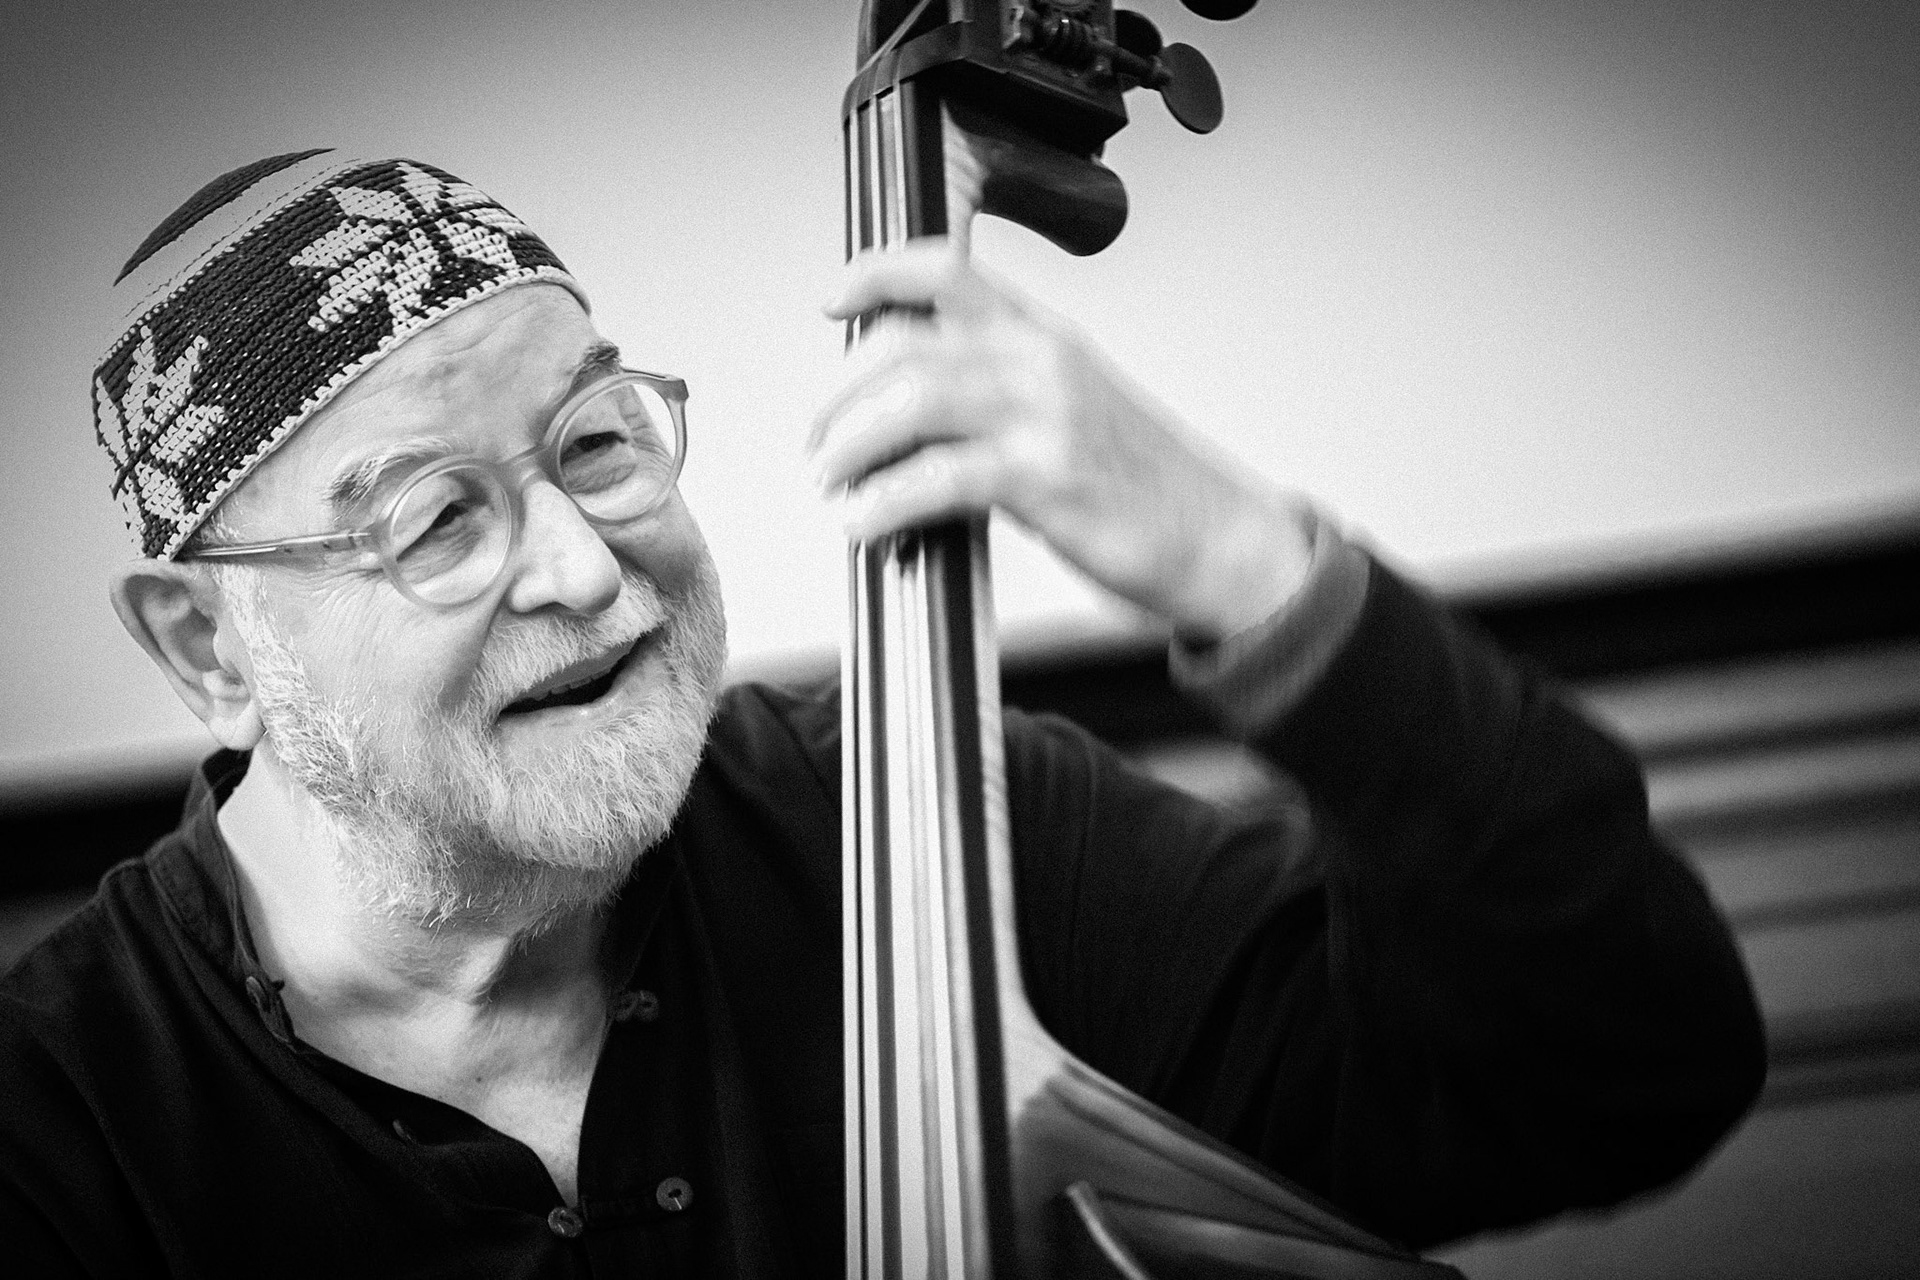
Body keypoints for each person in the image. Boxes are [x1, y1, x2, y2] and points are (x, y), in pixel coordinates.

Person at [0, 150, 1764, 1276]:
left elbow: (1612, 1069)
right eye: (436, 524)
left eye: (597, 444)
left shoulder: (923, 822)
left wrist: (1254, 571)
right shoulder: (59, 1132)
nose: (589, 575)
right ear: (207, 648)